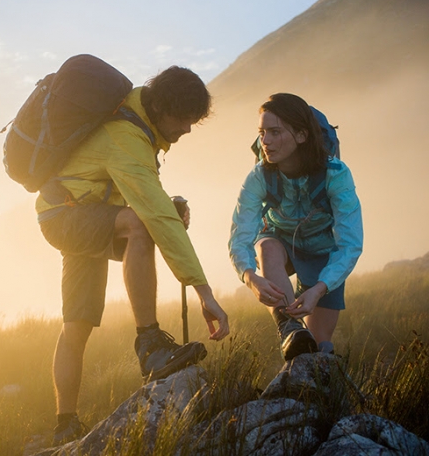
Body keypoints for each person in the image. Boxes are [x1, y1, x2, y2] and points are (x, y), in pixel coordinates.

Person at [37, 66, 230, 445]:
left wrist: (162, 203)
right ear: (161, 108)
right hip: (68, 216)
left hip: (74, 210)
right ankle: (151, 344)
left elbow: (136, 192)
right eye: (185, 118)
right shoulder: (127, 134)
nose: (189, 128)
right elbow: (154, 215)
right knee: (141, 225)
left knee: (76, 324)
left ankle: (65, 424)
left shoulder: (134, 122)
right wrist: (203, 293)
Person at [229, 93, 363, 361]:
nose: (265, 141)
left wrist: (319, 288)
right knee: (267, 246)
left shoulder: (335, 174)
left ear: (301, 136)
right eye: (262, 132)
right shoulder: (259, 176)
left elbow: (350, 244)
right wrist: (249, 276)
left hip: (323, 250)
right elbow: (240, 236)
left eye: (275, 132)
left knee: (318, 347)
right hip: (280, 240)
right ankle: (287, 326)